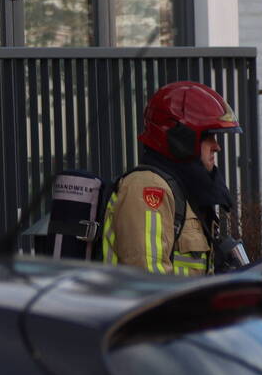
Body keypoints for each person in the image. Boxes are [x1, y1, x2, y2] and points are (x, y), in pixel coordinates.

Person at [102, 81, 242, 275]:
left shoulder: (185, 191)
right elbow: (150, 280)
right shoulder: (147, 188)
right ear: (182, 138)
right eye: (208, 136)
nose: (217, 147)